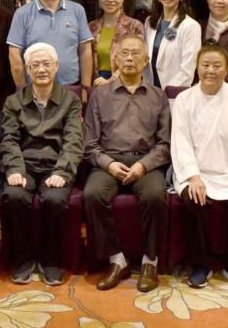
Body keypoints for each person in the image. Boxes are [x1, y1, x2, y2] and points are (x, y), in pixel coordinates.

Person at [83, 34, 170, 293]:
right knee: (93, 194)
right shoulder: (100, 95)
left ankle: (150, 261)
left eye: (136, 54)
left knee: (155, 195)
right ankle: (116, 259)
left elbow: (164, 144)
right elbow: (89, 143)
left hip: (146, 162)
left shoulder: (158, 96)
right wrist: (108, 164)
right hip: (108, 161)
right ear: (116, 59)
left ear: (146, 60)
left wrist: (143, 166)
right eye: (125, 53)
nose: (130, 58)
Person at [170, 45, 228, 291]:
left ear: (227, 68)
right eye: (205, 65)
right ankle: (200, 265)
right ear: (197, 68)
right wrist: (193, 177)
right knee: (193, 199)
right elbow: (181, 142)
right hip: (197, 172)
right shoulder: (184, 99)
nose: (211, 70)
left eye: (217, 66)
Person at [0, 43, 84, 286]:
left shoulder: (70, 100)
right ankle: (22, 259)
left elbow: (74, 140)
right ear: (27, 69)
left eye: (46, 64)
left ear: (56, 66)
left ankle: (50, 260)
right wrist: (15, 168)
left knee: (55, 200)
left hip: (55, 166)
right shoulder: (14, 101)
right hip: (24, 165)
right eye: (35, 65)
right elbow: (9, 139)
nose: (41, 69)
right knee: (13, 196)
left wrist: (62, 171)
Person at [7, 0, 94, 94]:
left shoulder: (77, 10)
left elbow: (85, 50)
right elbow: (14, 55)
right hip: (34, 89)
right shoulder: (22, 14)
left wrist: (85, 88)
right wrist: (22, 91)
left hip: (71, 88)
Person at [144, 0, 202, 89]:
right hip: (149, 91)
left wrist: (167, 93)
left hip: (174, 93)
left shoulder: (191, 26)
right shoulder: (149, 22)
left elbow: (187, 70)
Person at [89, 0, 145, 84]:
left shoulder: (134, 26)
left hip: (125, 84)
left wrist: (110, 81)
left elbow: (137, 58)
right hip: (96, 84)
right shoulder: (91, 27)